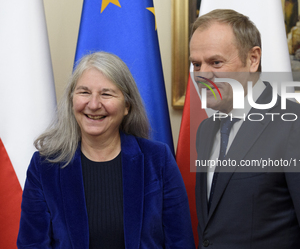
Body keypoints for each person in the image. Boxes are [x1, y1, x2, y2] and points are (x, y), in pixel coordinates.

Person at [190, 9, 300, 248]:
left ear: (253, 59)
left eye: (215, 62)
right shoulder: (206, 130)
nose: (202, 75)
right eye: (196, 64)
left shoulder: (299, 127)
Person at [17, 51, 195, 249]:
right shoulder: (44, 166)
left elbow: (180, 242)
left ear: (127, 105)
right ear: (71, 100)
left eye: (106, 94)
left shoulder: (157, 159)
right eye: (84, 92)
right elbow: (32, 244)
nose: (93, 104)